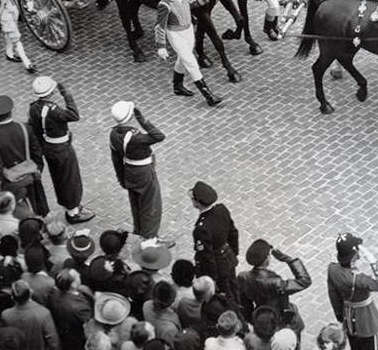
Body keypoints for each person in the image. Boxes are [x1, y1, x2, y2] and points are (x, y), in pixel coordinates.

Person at [29, 76, 93, 224]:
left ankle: (69, 205)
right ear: (50, 93)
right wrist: (67, 95)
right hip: (61, 149)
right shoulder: (53, 110)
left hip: (48, 147)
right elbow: (74, 115)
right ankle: (73, 212)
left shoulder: (33, 108)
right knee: (70, 179)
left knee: (59, 178)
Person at [109, 100, 174, 249]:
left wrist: (121, 178)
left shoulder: (113, 134)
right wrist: (142, 120)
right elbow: (159, 136)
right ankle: (150, 240)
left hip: (129, 172)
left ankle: (142, 231)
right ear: (130, 116)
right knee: (151, 205)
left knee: (136, 203)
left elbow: (116, 159)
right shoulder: (134, 137)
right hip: (144, 172)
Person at [154, 0, 222, 107]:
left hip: (188, 30)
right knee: (191, 62)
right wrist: (161, 46)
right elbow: (159, 26)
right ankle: (208, 95)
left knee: (183, 58)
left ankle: (177, 85)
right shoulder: (165, 3)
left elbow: (190, 5)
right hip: (176, 35)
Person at [326, 232, 378, 350]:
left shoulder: (332, 269)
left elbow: (333, 294)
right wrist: (373, 261)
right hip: (368, 323)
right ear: (354, 254)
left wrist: (340, 315)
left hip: (349, 321)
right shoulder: (358, 279)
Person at [0, 94, 49, 216]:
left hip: (11, 181)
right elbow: (37, 151)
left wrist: (0, 182)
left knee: (19, 210)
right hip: (30, 175)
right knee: (39, 204)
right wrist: (38, 169)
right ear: (11, 111)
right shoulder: (24, 128)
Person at [237, 238, 312, 338]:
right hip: (280, 318)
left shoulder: (243, 277)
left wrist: (253, 318)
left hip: (261, 315)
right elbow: (304, 281)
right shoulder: (275, 282)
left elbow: (245, 304)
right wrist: (288, 259)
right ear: (267, 259)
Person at [190, 180, 239, 304]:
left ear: (198, 203)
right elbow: (233, 233)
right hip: (228, 257)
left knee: (225, 295)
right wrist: (233, 253)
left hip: (218, 265)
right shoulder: (222, 209)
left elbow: (207, 256)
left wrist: (212, 278)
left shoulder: (201, 228)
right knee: (233, 286)